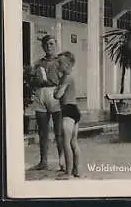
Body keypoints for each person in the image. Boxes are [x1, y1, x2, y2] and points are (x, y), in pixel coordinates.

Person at [29, 35, 64, 171]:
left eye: (51, 44)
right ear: (43, 47)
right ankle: (43, 161)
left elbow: (66, 80)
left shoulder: (61, 62)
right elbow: (31, 81)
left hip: (55, 94)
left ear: (55, 45)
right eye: (46, 44)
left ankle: (62, 162)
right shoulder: (38, 63)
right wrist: (37, 80)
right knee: (43, 132)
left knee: (59, 131)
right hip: (41, 94)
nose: (49, 47)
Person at [53, 51, 81, 180]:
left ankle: (68, 173)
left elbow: (58, 95)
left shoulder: (66, 77)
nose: (57, 64)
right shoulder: (68, 77)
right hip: (75, 110)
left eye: (60, 62)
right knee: (74, 142)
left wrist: (56, 91)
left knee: (66, 143)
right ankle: (77, 169)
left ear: (68, 64)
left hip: (68, 111)